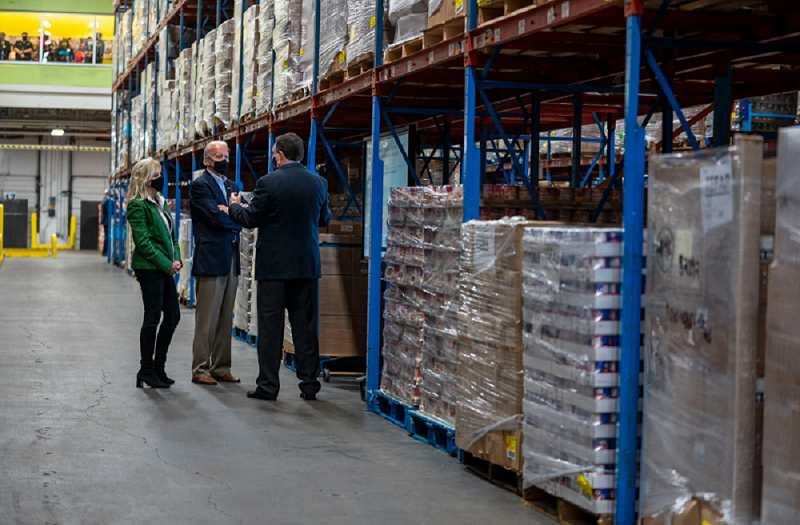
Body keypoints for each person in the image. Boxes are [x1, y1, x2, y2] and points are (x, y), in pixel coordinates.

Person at [221, 132, 331, 401]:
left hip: (274, 268)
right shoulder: (319, 183)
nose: (272, 156)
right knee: (305, 329)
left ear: (280, 155)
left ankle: (268, 386)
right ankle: (309, 385)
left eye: (273, 152)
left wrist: (234, 207)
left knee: (271, 329)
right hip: (306, 267)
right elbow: (324, 218)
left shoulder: (268, 182)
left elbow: (251, 218)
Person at [188, 141, 246, 386]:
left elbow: (244, 215)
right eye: (219, 156)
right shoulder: (200, 185)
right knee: (207, 318)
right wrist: (232, 213)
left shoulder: (233, 185)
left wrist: (230, 211)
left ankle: (221, 367)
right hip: (211, 257)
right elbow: (214, 217)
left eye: (227, 155)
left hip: (232, 256)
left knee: (225, 317)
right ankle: (200, 368)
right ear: (207, 160)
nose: (224, 159)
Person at [126, 158, 182, 389]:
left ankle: (158, 368)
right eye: (157, 174)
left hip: (165, 265)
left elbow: (171, 235)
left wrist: (176, 258)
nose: (161, 178)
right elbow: (143, 243)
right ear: (146, 179)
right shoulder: (137, 205)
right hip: (149, 268)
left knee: (173, 316)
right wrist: (166, 264)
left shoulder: (159, 201)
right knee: (152, 317)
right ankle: (145, 370)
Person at [100, 189, 110, 256]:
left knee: (107, 236)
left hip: (105, 221)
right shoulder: (106, 201)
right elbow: (108, 210)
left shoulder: (104, 200)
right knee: (107, 236)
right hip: (106, 221)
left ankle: (105, 251)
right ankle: (105, 251)